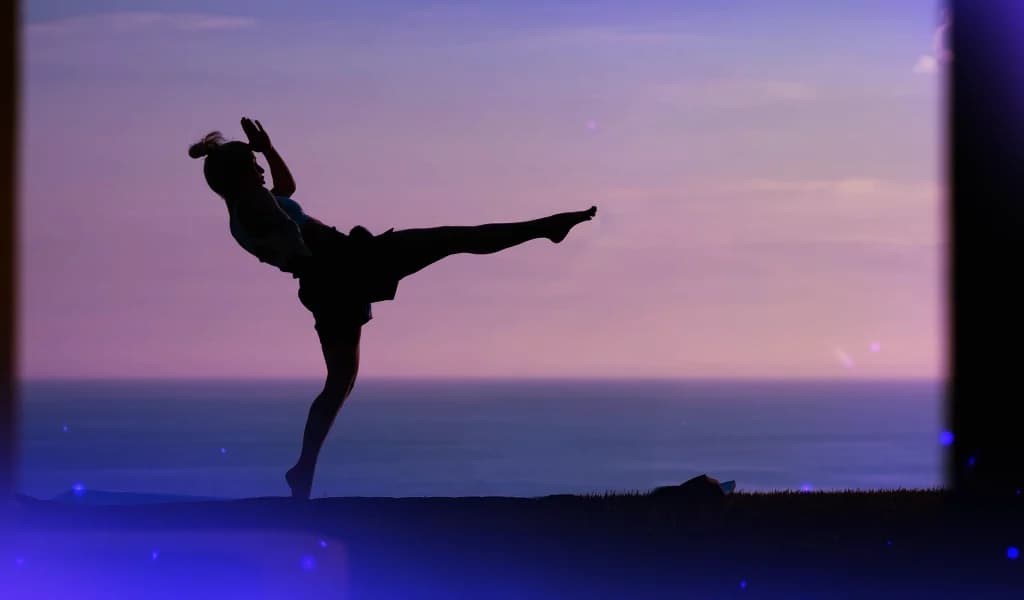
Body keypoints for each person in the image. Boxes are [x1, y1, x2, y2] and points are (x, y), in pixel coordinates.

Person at [189, 117, 597, 499]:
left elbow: (287, 193)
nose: (262, 171)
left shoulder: (245, 211)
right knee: (452, 239)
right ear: (240, 175)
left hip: (331, 282)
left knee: (340, 382)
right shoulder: (253, 206)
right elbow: (293, 243)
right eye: (255, 165)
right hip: (345, 267)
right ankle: (547, 228)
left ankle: (303, 469)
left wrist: (267, 149)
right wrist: (346, 250)